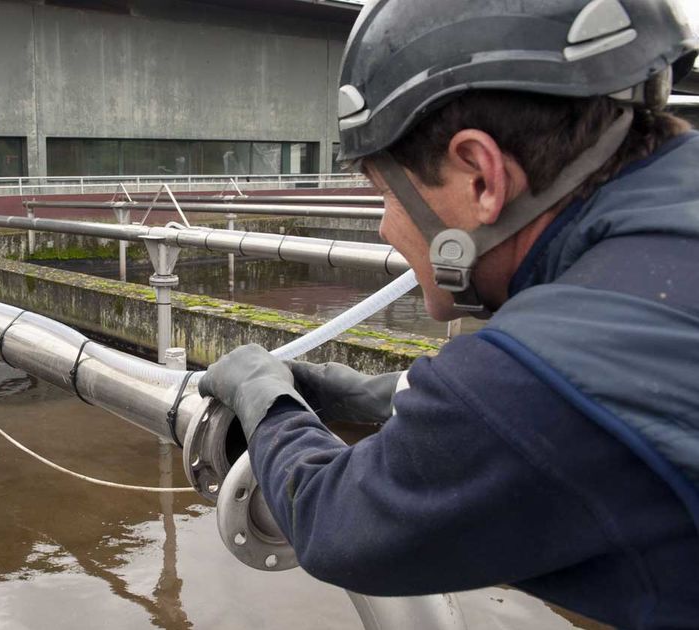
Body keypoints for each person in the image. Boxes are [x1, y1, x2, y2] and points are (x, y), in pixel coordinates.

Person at [197, 1, 699, 627]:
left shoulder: (559, 369)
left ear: (480, 178)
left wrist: (263, 397)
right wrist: (365, 394)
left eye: (386, 193)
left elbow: (337, 522)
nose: (384, 227)